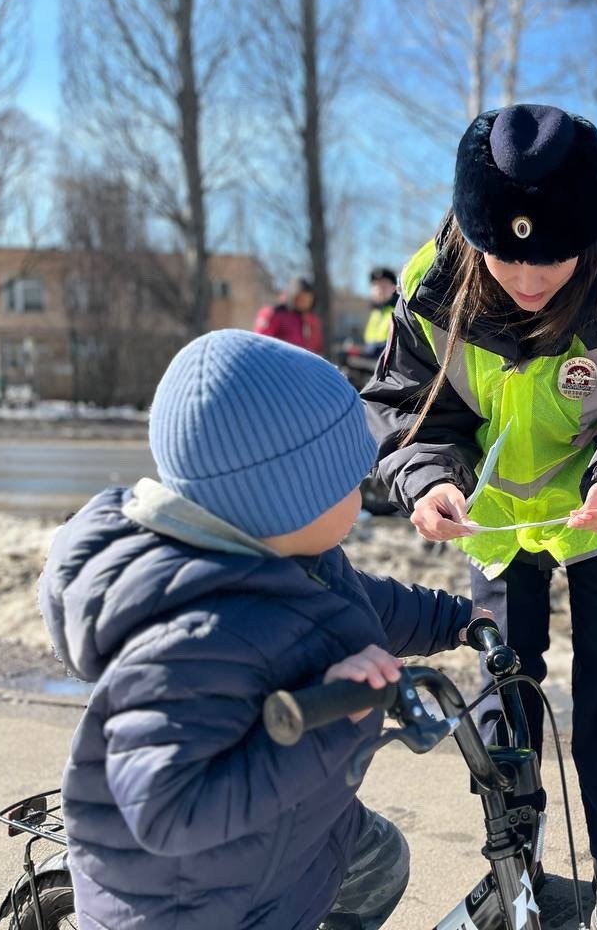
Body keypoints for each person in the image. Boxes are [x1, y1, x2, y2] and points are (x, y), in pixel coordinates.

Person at [361, 103, 597, 930]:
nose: (527, 280)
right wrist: (426, 481)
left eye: (551, 259)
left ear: (587, 234)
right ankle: (515, 860)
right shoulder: (432, 286)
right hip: (490, 526)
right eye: (506, 256)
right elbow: (406, 408)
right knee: (501, 683)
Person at [39, 329, 476, 930]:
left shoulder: (290, 556)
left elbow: (364, 603)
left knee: (381, 861)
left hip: (283, 839)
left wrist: (456, 620)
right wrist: (323, 731)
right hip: (196, 903)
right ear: (285, 499)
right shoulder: (191, 641)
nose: (363, 493)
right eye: (349, 482)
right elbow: (168, 809)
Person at [255, 275, 325, 353]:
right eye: (302, 298)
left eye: (308, 299)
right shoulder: (274, 314)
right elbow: (261, 343)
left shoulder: (310, 319)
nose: (305, 303)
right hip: (278, 360)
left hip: (302, 362)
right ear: (293, 296)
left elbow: (316, 346)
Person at [364, 267, 399, 357]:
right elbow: (369, 343)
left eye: (383, 286)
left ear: (393, 288)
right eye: (375, 286)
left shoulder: (398, 311)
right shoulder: (374, 314)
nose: (379, 290)